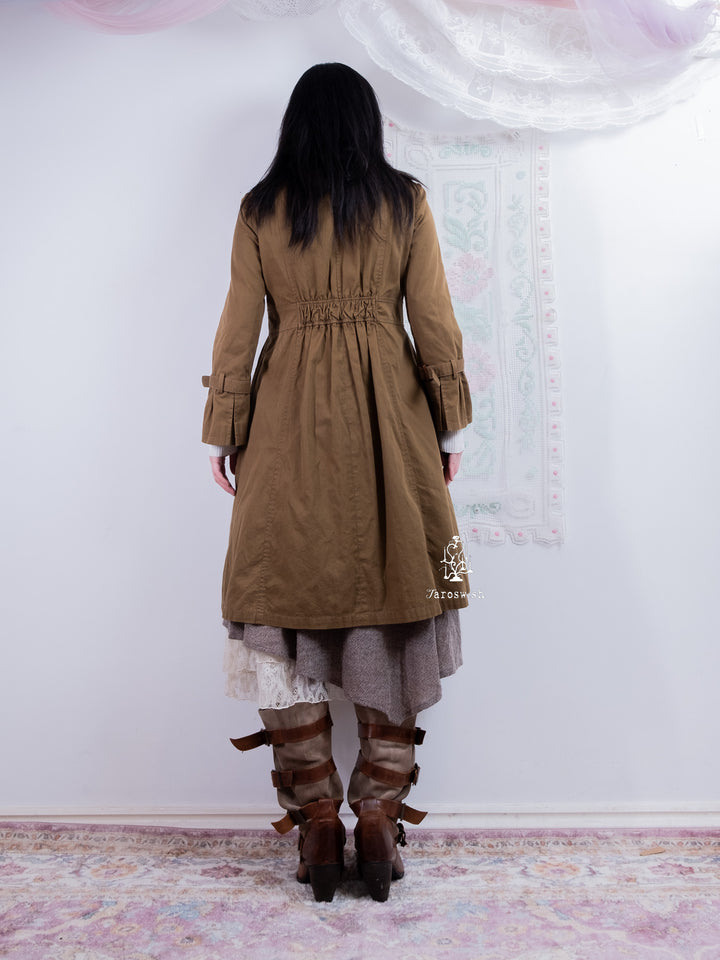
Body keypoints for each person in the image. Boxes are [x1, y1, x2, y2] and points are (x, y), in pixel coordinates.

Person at [201, 62, 472, 903]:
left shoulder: (260, 208)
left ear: (296, 127)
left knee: (270, 598)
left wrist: (225, 431)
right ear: (367, 124)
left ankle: (318, 818)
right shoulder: (404, 200)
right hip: (395, 422)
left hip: (283, 427)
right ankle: (379, 814)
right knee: (410, 588)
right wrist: (450, 424)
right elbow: (433, 318)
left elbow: (238, 327)